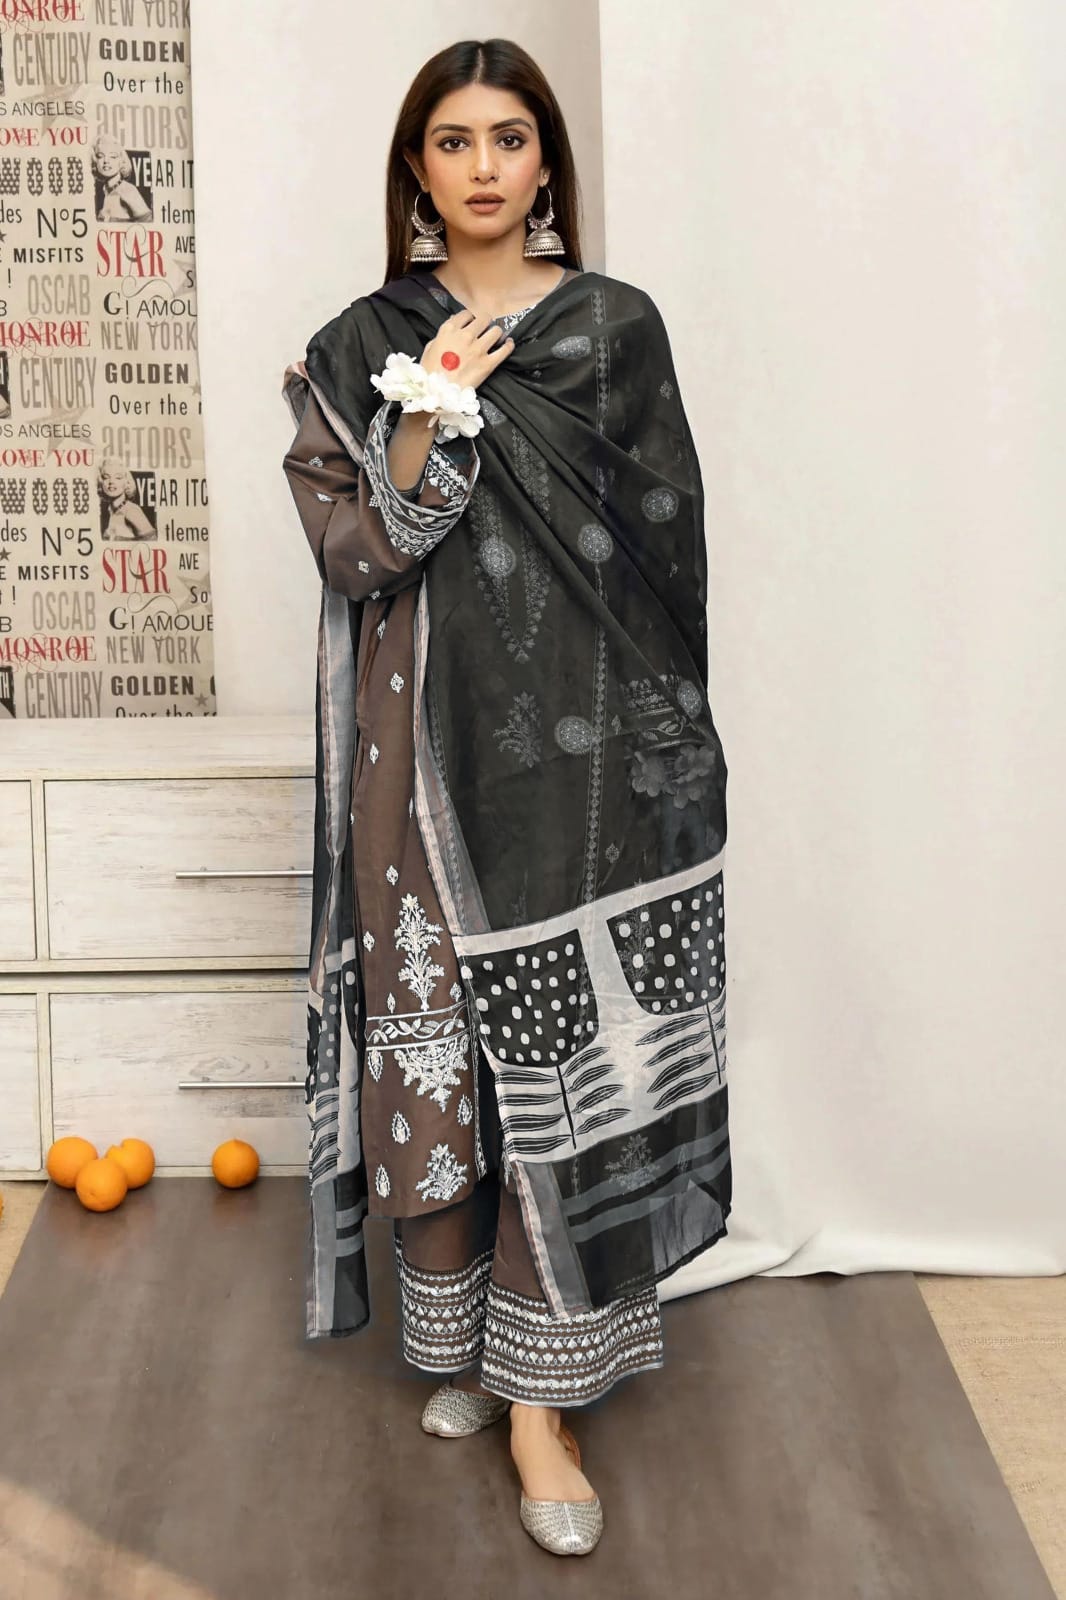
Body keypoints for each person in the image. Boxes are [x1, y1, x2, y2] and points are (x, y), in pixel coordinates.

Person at [282, 37, 731, 1557]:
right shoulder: (360, 345)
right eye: (455, 140)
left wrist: (671, 750)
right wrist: (428, 416)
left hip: (587, 769)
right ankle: (476, 1342)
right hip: (422, 761)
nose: (485, 166)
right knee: (446, 1052)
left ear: (548, 161)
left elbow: (664, 545)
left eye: (512, 137)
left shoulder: (614, 328)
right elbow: (356, 557)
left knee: (553, 1054)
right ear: (416, 166)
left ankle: (546, 1403)